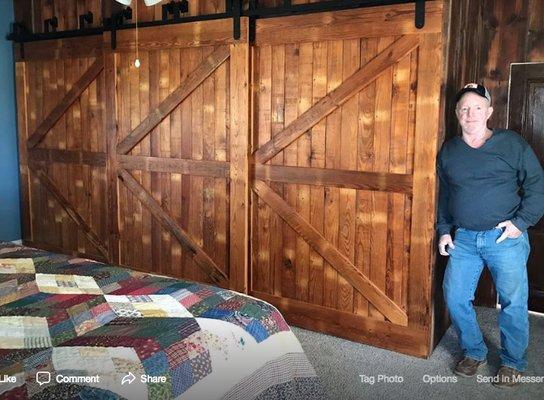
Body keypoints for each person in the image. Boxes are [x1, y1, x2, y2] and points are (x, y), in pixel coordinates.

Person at [437, 83, 544, 388]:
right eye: (464, 109)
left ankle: (513, 362)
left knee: (513, 301)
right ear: (458, 114)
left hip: (505, 238)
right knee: (455, 296)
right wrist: (444, 231)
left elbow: (537, 185)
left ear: (489, 112)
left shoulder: (511, 144)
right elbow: (445, 195)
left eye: (477, 107)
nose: (470, 114)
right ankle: (474, 351)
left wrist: (520, 223)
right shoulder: (450, 151)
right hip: (465, 239)